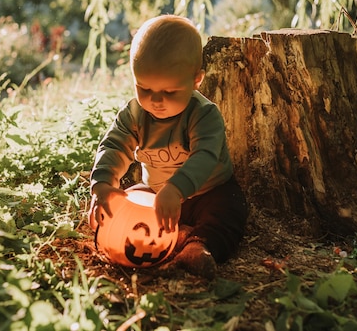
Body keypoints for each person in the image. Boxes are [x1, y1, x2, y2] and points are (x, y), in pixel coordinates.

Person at [88, 15, 248, 279]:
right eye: (144, 88)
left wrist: (177, 189)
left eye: (170, 91)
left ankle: (199, 246)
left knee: (230, 209)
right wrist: (103, 184)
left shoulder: (204, 115)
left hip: (206, 190)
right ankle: (159, 230)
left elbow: (204, 156)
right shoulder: (135, 114)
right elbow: (114, 146)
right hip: (157, 192)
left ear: (196, 80)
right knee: (127, 197)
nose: (156, 100)